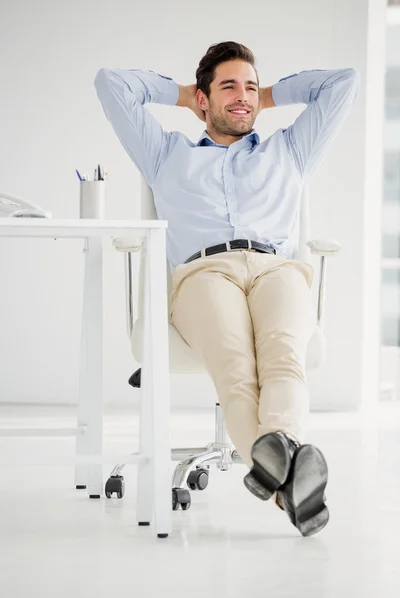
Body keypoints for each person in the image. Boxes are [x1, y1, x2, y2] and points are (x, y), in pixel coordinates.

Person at [95, 41, 359, 537]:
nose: (243, 97)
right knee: (236, 369)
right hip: (203, 274)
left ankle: (279, 458)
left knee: (283, 355)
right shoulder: (164, 153)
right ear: (203, 99)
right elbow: (112, 82)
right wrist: (187, 94)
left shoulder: (292, 148)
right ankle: (289, 483)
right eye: (229, 87)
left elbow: (342, 82)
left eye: (250, 87)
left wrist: (266, 95)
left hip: (275, 267)